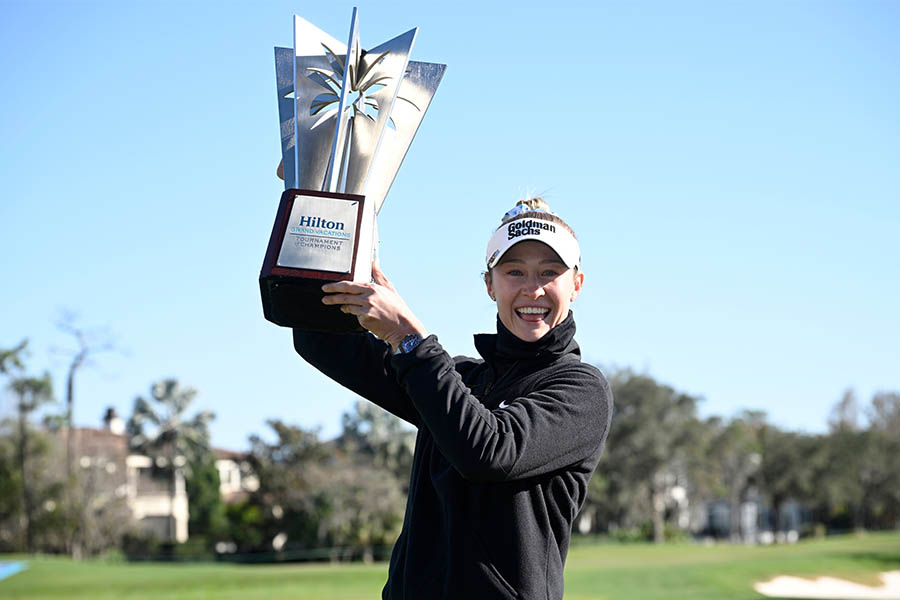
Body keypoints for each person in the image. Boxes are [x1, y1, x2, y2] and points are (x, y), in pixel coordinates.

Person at [292, 197, 613, 600]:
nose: (534, 289)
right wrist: (312, 203)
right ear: (489, 285)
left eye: (550, 272)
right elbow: (318, 339)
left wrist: (408, 339)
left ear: (576, 285)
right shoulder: (457, 379)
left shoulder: (581, 390)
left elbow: (489, 451)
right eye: (514, 272)